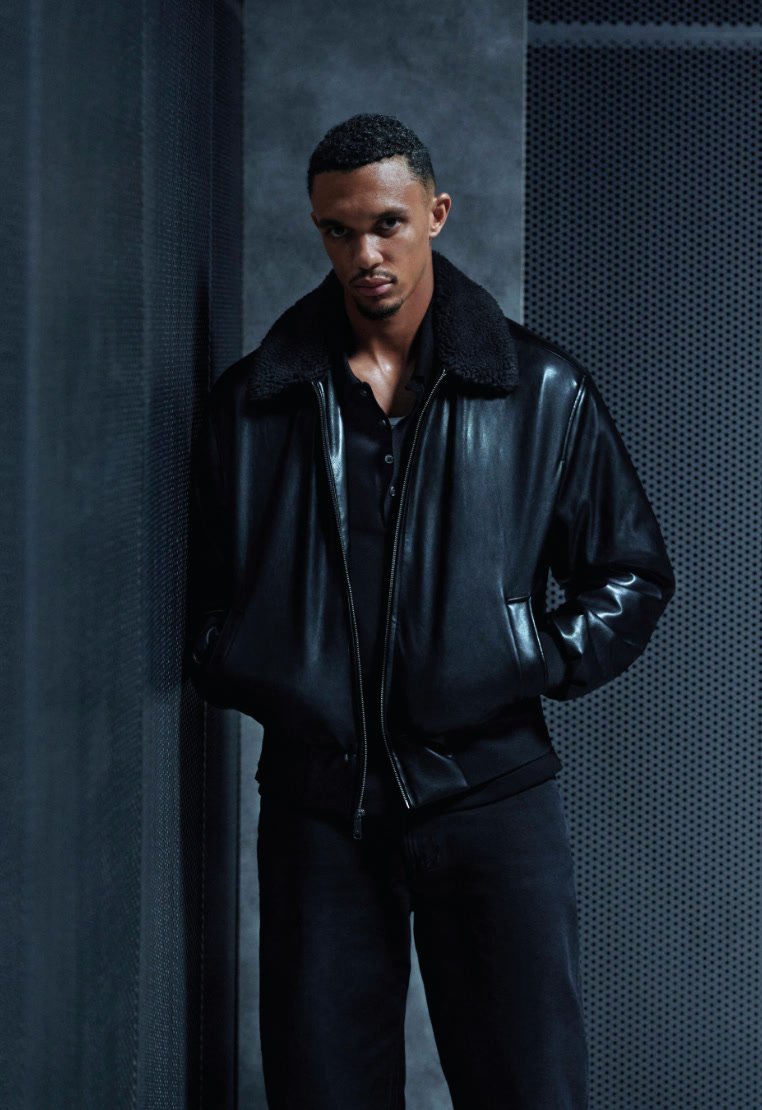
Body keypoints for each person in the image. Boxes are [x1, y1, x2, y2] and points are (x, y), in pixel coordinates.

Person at [185, 113, 675, 1109]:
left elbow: (632, 573)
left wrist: (528, 653)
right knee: (324, 1091)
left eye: (387, 224)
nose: (364, 254)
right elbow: (204, 593)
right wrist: (252, 664)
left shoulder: (540, 390)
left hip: (493, 797)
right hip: (319, 808)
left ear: (437, 214)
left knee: (527, 1087)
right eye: (338, 230)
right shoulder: (255, 402)